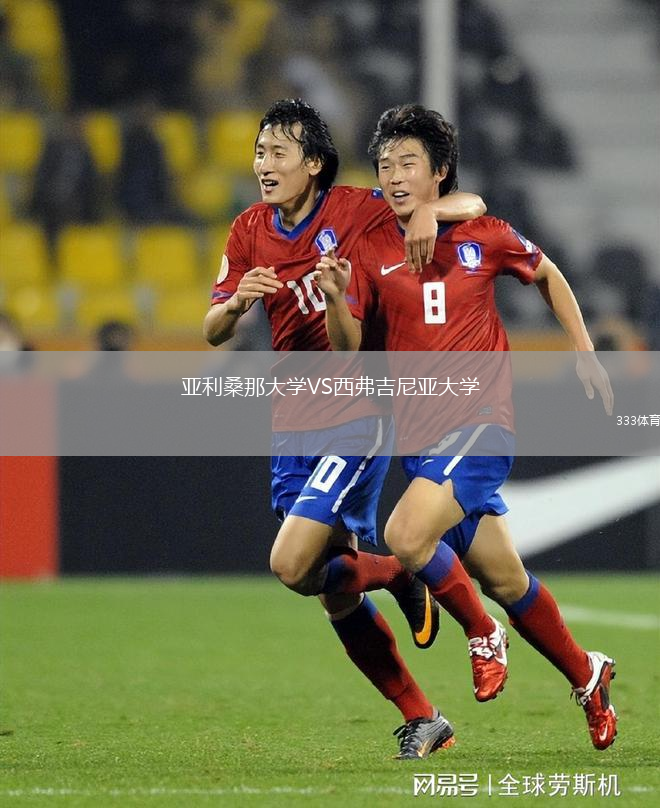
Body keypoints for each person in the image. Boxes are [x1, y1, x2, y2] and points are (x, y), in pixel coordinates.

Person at [202, 98, 505, 759]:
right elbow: (212, 327)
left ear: (313, 163)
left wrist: (427, 213)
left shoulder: (356, 209)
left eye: (278, 153)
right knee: (330, 589)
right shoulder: (249, 228)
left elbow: (473, 205)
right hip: (292, 424)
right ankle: (425, 716)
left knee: (289, 564)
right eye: (259, 153)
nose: (264, 165)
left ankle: (399, 571)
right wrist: (238, 305)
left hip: (356, 416)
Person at [317, 103, 618, 750]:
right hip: (423, 444)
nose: (394, 176)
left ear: (439, 172)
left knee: (405, 534)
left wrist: (584, 349)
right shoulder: (369, 247)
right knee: (507, 580)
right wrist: (335, 298)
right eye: (385, 165)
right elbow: (347, 348)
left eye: (409, 164)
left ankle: (482, 633)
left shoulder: (484, 234)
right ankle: (587, 673)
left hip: (481, 426)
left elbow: (546, 272)